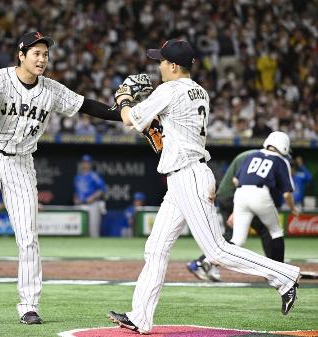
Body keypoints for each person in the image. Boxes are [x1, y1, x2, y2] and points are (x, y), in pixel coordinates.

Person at [107, 39, 300, 335]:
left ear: (172, 66)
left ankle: (285, 276)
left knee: (217, 250)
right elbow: (164, 126)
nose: (158, 65)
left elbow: (129, 120)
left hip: (189, 175)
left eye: (161, 61)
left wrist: (123, 98)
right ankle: (140, 316)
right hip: (182, 176)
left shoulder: (170, 89)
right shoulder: (200, 90)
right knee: (156, 248)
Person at [0, 31, 123, 324]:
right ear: (21, 55)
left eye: (45, 55)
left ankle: (29, 305)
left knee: (28, 236)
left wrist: (122, 115)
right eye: (36, 53)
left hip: (22, 163)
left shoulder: (51, 90)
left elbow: (86, 105)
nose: (42, 59)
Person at [187, 148, 274, 282]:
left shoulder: (252, 155)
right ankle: (273, 269)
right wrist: (236, 211)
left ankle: (206, 264)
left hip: (228, 196)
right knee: (264, 229)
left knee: (231, 235)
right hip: (232, 197)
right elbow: (241, 182)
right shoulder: (256, 158)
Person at [231, 131, 300, 263]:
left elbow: (235, 180)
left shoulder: (252, 155)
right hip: (260, 194)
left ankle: (208, 263)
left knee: (237, 240)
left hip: (240, 193)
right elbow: (286, 193)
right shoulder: (280, 160)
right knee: (276, 232)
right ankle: (280, 272)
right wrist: (293, 208)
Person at [73, 154, 107, 237]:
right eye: (84, 162)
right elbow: (76, 191)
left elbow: (102, 190)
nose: (85, 164)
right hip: (80, 205)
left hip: (92, 205)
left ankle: (95, 249)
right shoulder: (77, 177)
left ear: (91, 164)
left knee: (93, 231)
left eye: (87, 162)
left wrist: (93, 197)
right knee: (79, 231)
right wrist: (75, 198)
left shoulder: (94, 176)